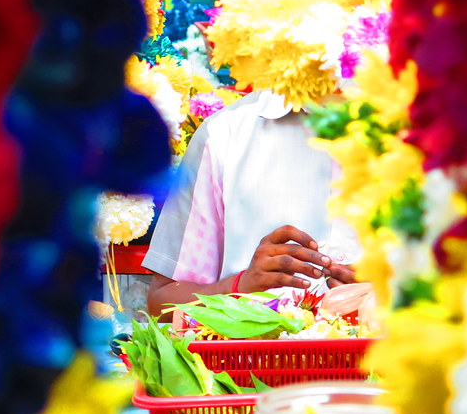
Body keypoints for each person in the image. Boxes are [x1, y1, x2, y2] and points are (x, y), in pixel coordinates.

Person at [143, 89, 361, 318]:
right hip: (253, 354)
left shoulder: (401, 130)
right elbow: (162, 305)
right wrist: (238, 287)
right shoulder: (225, 133)